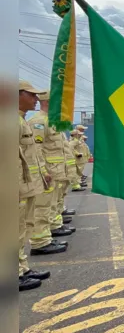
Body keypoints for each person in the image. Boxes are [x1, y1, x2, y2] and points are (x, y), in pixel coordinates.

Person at [19, 81, 57, 291]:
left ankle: (21, 269)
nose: (34, 99)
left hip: (27, 182)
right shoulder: (33, 122)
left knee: (21, 227)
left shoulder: (22, 120)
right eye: (31, 95)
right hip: (17, 184)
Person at [29, 92, 77, 240]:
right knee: (42, 206)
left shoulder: (52, 121)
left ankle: (53, 227)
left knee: (52, 203)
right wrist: (43, 171)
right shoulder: (38, 122)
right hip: (49, 171)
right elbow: (36, 149)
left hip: (56, 171)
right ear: (48, 102)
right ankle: (40, 241)